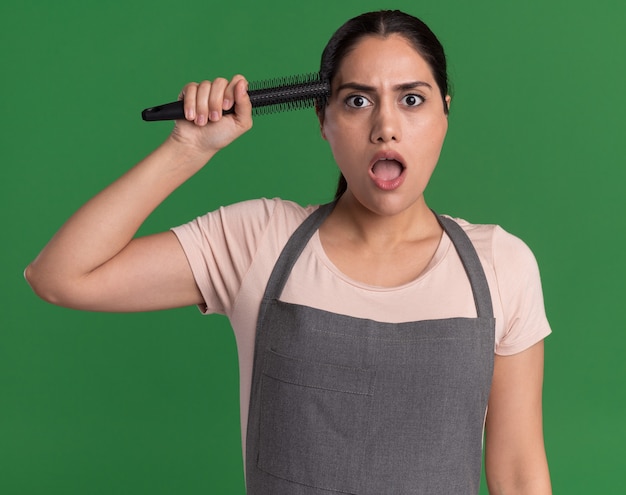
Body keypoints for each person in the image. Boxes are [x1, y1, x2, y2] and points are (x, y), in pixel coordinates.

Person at [25, 9, 552, 495]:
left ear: (445, 114)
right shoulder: (259, 240)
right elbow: (60, 276)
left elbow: (520, 471)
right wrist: (185, 149)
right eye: (357, 100)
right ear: (322, 119)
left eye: (411, 99)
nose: (385, 127)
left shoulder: (500, 264)